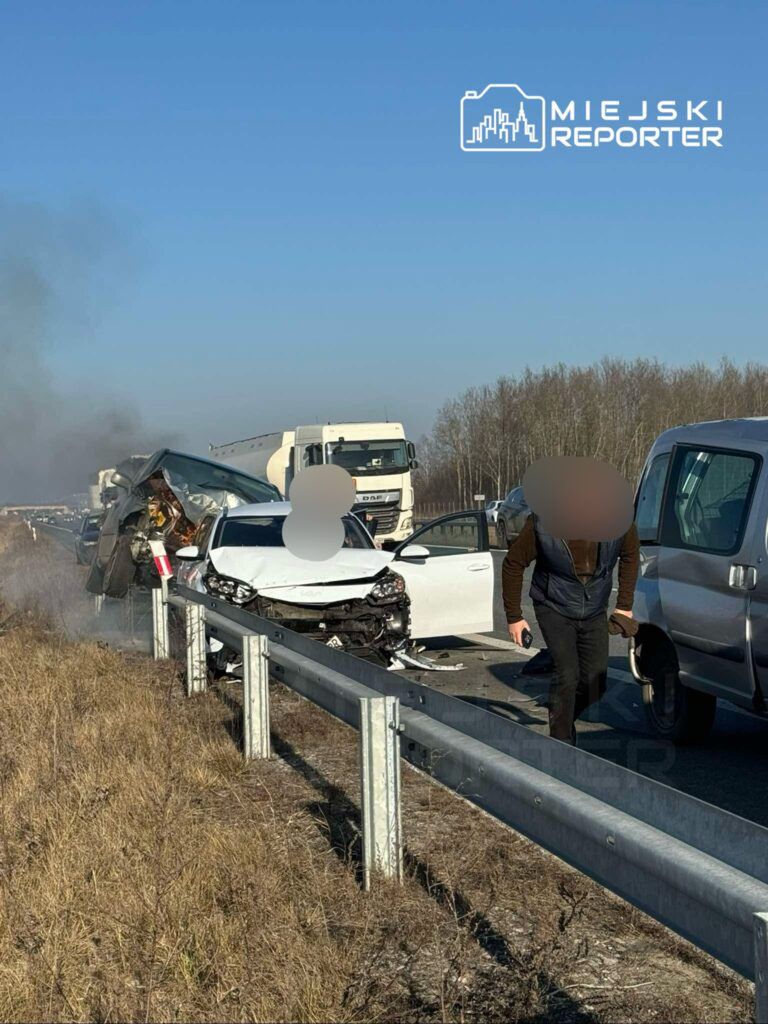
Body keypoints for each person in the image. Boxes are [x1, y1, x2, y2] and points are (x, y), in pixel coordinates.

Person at [502, 464, 640, 744]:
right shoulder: (542, 524)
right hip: (553, 604)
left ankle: (562, 715)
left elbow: (630, 555)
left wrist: (624, 606)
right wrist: (514, 617)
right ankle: (561, 743)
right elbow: (513, 564)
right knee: (567, 673)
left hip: (593, 607)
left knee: (596, 681)